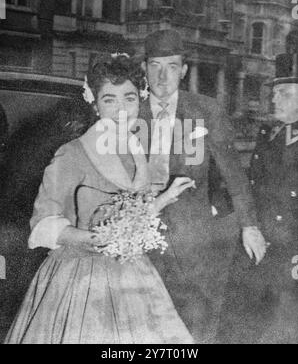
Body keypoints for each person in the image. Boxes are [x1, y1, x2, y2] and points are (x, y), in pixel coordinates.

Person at [4, 54, 195, 344]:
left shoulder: (136, 150)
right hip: (80, 277)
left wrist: (164, 199)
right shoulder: (73, 153)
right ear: (93, 101)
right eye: (110, 100)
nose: (121, 109)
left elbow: (133, 217)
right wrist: (94, 240)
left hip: (133, 273)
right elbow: (43, 223)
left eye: (129, 98)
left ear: (141, 98)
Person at [138, 29, 267, 343]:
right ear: (144, 69)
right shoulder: (129, 113)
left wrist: (250, 225)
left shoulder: (207, 111)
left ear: (183, 71)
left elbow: (234, 175)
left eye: (171, 66)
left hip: (194, 239)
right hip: (140, 234)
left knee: (195, 321)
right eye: (155, 65)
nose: (162, 75)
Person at [217, 53, 298, 344]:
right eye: (274, 93)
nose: (274, 100)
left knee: (284, 328)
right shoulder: (269, 131)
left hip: (292, 247)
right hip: (258, 238)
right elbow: (254, 182)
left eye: (284, 93)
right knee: (240, 321)